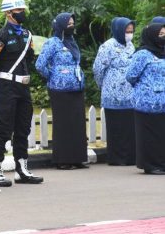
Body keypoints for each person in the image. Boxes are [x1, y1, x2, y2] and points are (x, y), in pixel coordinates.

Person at [0, 0, 43, 187]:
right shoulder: (1, 36)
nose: (22, 13)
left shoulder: (27, 35)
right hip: (7, 87)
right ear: (8, 13)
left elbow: (30, 57)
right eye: (18, 11)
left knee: (23, 129)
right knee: (4, 129)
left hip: (23, 87)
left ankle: (22, 169)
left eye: (22, 10)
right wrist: (0, 78)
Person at [36, 13, 88, 170]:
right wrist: (53, 75)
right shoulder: (52, 43)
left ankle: (77, 158)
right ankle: (64, 160)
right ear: (60, 26)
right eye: (68, 24)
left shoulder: (71, 42)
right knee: (64, 125)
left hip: (76, 88)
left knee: (77, 124)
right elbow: (40, 65)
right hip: (60, 90)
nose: (71, 26)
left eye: (73, 23)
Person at [93, 17, 136, 165]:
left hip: (130, 95)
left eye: (131, 31)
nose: (129, 34)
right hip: (113, 95)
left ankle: (130, 157)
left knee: (129, 128)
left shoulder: (131, 46)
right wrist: (104, 85)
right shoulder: (108, 46)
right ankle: (117, 158)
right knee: (116, 128)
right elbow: (98, 69)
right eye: (126, 31)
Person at [125, 22, 165, 175]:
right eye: (161, 35)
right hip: (146, 102)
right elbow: (131, 75)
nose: (163, 37)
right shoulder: (142, 54)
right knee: (150, 135)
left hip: (163, 103)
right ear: (152, 36)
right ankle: (151, 165)